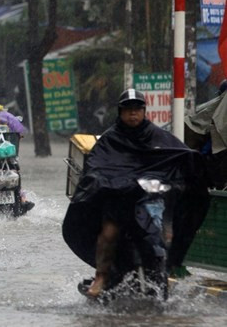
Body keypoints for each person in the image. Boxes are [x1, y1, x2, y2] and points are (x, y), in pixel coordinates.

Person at [62, 88, 210, 298]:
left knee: (161, 237)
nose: (133, 114)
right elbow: (95, 167)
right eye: (128, 110)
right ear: (120, 112)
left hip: (147, 202)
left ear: (144, 111)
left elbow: (179, 155)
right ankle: (101, 276)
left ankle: (167, 272)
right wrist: (106, 182)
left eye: (138, 109)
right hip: (117, 203)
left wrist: (194, 165)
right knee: (108, 234)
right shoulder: (110, 139)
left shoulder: (157, 136)